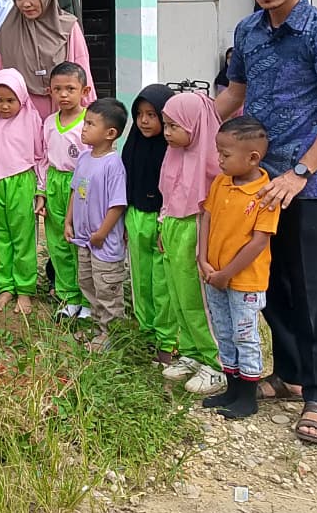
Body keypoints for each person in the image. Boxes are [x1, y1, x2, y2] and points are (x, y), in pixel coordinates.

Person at [214, 0, 317, 446]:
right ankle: (291, 373)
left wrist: (299, 172)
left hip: (305, 184)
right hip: (253, 183)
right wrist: (190, 124)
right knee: (267, 284)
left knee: (312, 288)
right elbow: (236, 93)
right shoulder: (248, 31)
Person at [197, 116, 279, 420]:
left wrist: (226, 273)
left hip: (243, 281)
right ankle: (231, 387)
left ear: (253, 157)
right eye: (219, 152)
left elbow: (258, 242)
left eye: (225, 155)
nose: (219, 160)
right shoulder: (221, 182)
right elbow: (206, 217)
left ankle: (248, 395)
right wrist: (203, 259)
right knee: (224, 332)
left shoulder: (266, 195)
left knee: (246, 336)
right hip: (213, 275)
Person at [158, 91, 225, 396]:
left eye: (174, 126)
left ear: (196, 126)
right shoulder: (174, 155)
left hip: (195, 228)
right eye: (165, 124)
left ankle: (216, 362)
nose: (167, 132)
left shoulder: (212, 167)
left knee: (198, 298)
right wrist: (163, 226)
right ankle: (191, 352)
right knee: (177, 293)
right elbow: (169, 194)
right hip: (174, 226)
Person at [0, 0, 95, 121]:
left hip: (63, 113)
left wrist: (92, 118)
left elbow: (82, 72)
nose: (26, 4)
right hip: (20, 117)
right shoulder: (8, 31)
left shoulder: (67, 27)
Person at [0, 68, 47, 315]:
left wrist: (41, 190)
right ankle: (4, 285)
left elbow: (40, 156)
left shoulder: (31, 120)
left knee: (23, 238)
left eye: (10, 100)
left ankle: (25, 289)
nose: (4, 106)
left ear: (22, 98)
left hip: (22, 182)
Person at [65, 98, 130, 352]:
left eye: (90, 124)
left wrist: (102, 233)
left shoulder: (113, 165)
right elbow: (75, 190)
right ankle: (97, 327)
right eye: (85, 122)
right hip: (84, 239)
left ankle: (113, 334)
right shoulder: (83, 157)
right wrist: (68, 220)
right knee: (88, 284)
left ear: (110, 133)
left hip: (103, 243)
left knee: (107, 288)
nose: (83, 128)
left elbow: (117, 204)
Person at [123, 85, 178, 364]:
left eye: (152, 115)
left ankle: (168, 340)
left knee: (163, 283)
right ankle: (146, 332)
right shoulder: (132, 145)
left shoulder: (174, 151)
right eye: (139, 114)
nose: (144, 121)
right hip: (135, 216)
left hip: (162, 220)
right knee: (141, 278)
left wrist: (164, 221)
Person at [43, 61, 93, 319]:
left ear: (84, 91)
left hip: (80, 187)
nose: (64, 95)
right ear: (49, 91)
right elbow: (43, 158)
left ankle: (87, 300)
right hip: (54, 183)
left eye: (71, 89)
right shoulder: (49, 122)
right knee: (58, 243)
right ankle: (67, 296)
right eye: (58, 89)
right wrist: (41, 192)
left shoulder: (90, 123)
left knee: (79, 243)